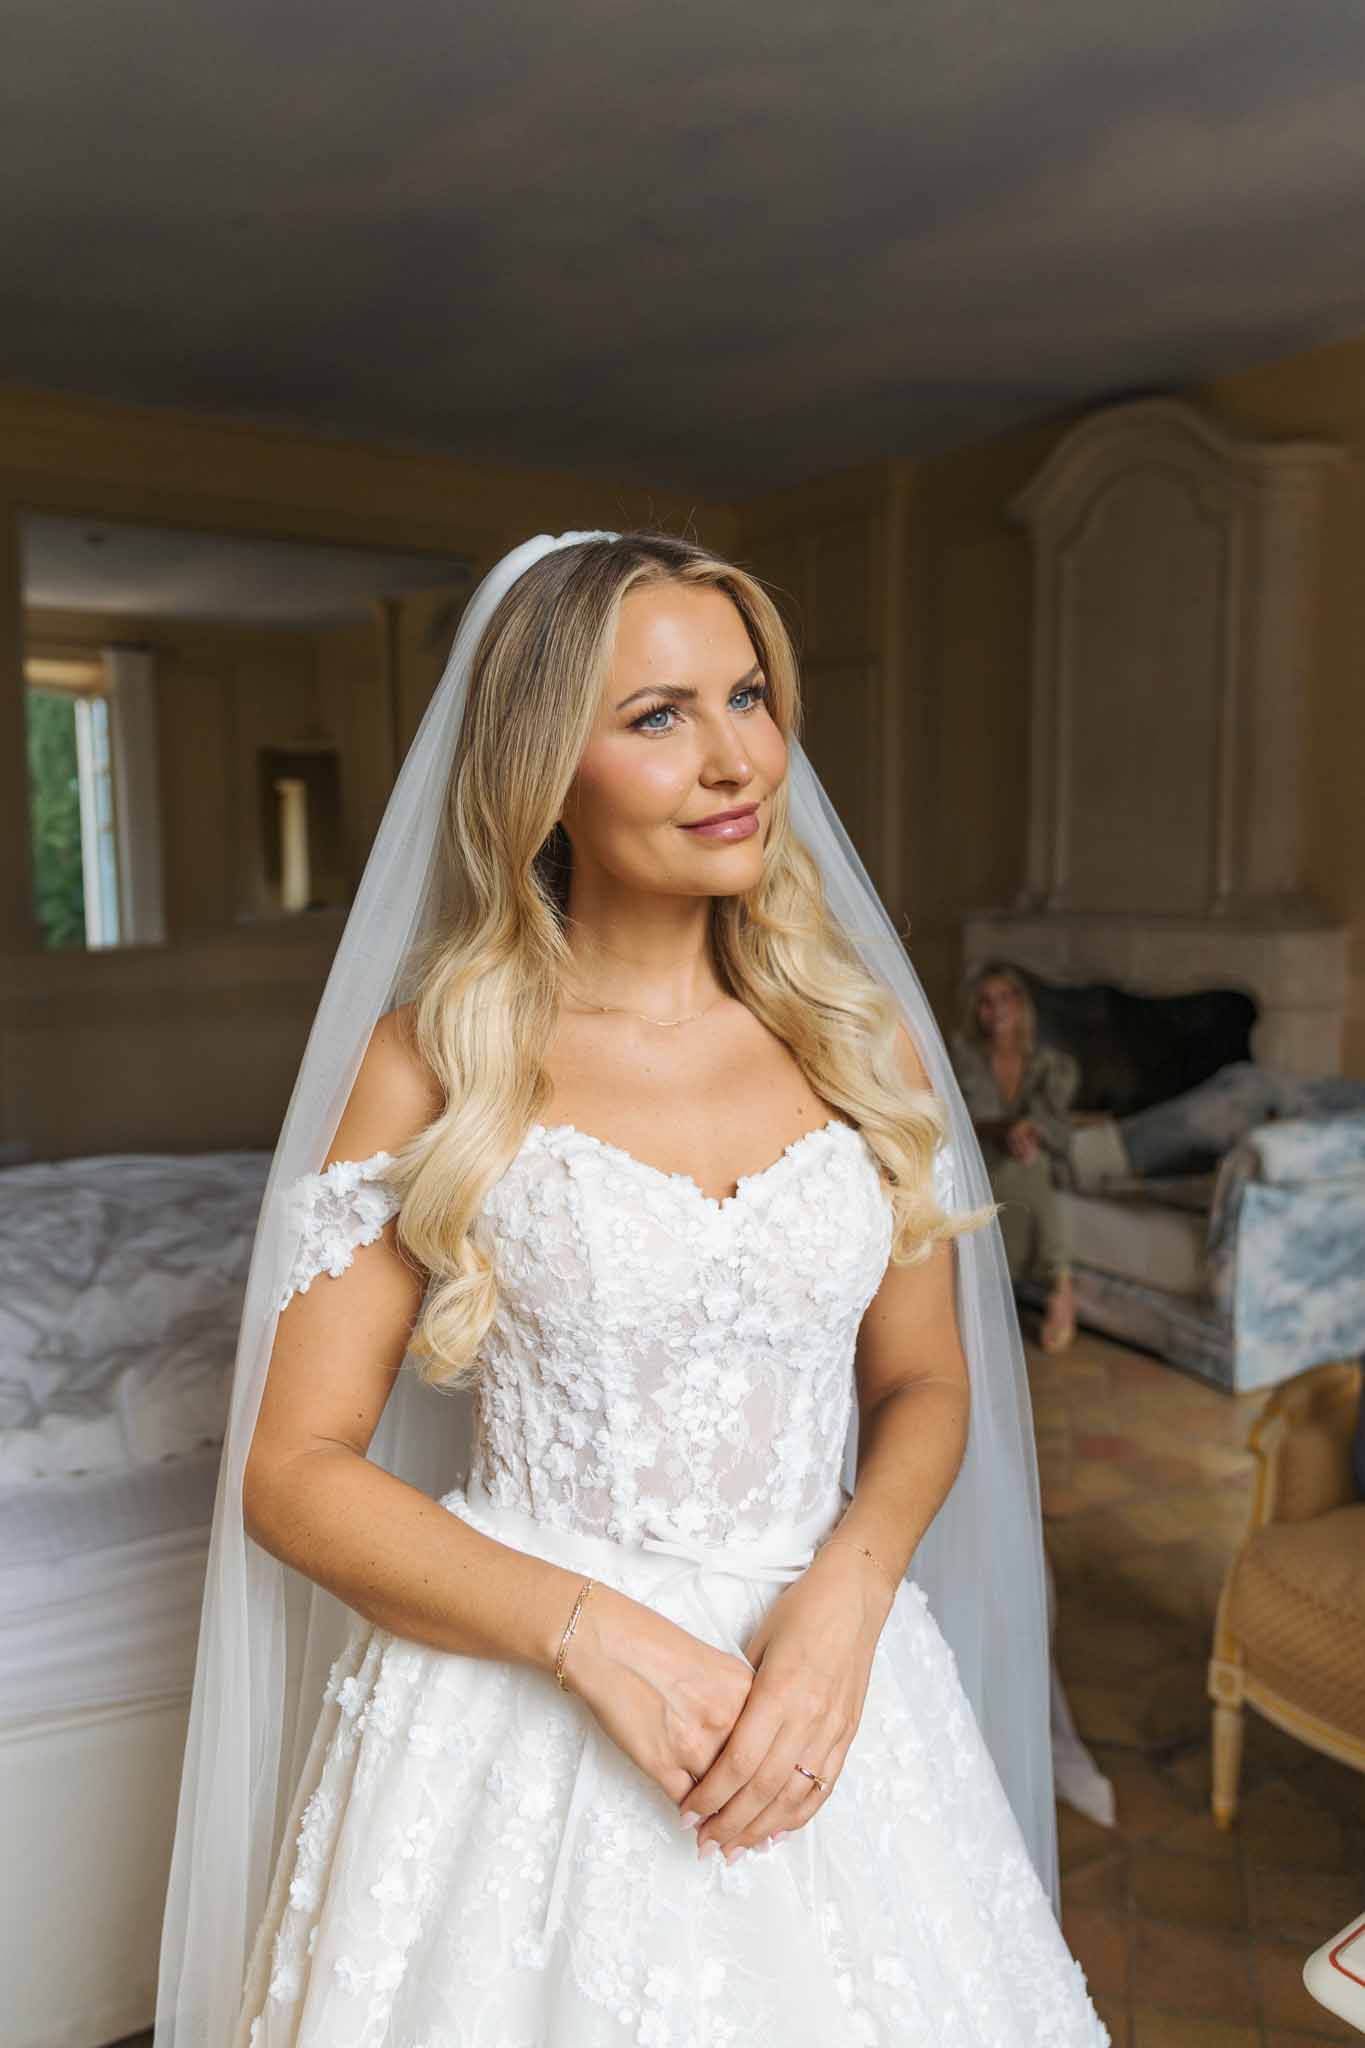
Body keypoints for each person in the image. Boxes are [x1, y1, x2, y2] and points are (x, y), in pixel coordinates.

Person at [155, 532, 1109, 2046]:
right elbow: (291, 1472)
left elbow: (925, 1384)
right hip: (515, 1718)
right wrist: (589, 1637)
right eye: (657, 715)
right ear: (548, 769)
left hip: (831, 1690)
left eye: (748, 696)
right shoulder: (439, 1059)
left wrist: (847, 1601)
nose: (733, 758)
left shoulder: (864, 1045)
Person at [950, 963, 1079, 1352]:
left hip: (1035, 1160)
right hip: (982, 1160)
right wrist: (1005, 1130)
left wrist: (1030, 1130)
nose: (998, 1009)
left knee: (1032, 1163)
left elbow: (1061, 1130)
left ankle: (1056, 1286)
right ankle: (1061, 1286)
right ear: (976, 1010)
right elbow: (958, 1120)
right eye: (986, 1002)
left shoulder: (1049, 1063)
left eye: (1006, 997)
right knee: (1023, 1167)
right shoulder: (963, 1055)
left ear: (1021, 1004)